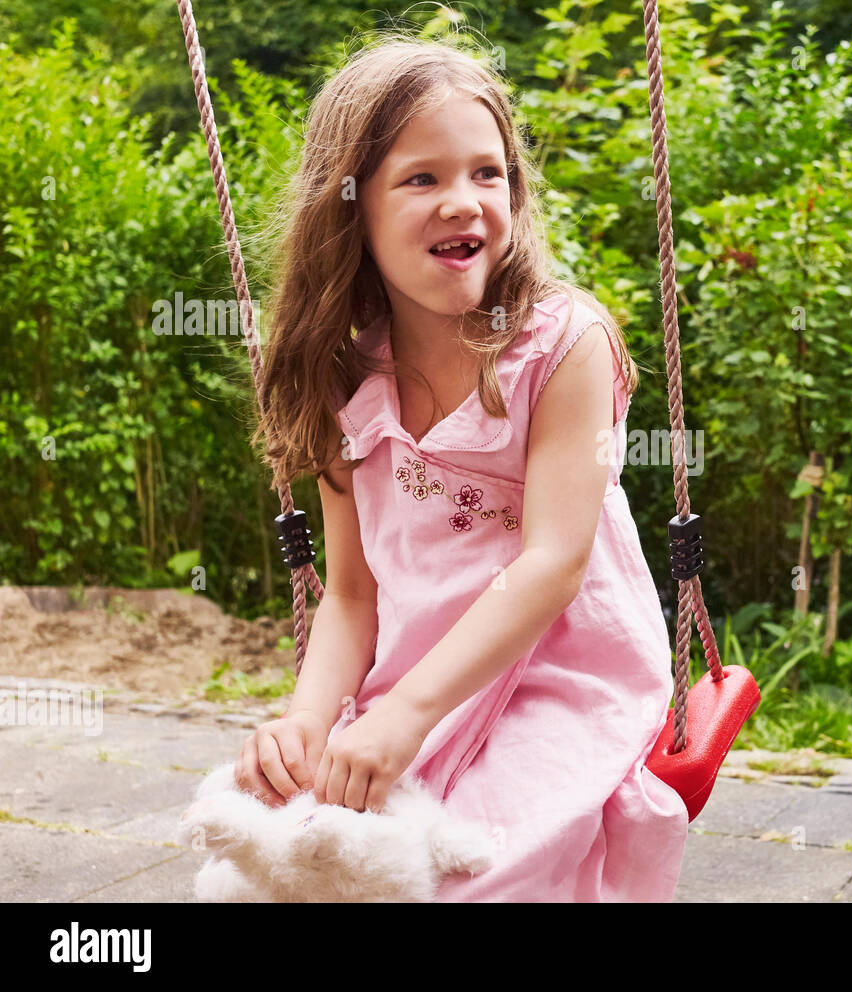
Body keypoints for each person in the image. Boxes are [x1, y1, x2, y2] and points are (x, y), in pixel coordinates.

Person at [231, 35, 688, 901]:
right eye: (423, 179)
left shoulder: (560, 347)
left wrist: (403, 717)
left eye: (488, 174)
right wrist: (306, 719)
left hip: (560, 682)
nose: (465, 202)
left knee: (466, 878)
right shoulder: (345, 374)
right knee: (296, 868)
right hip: (417, 676)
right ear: (350, 206)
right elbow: (352, 596)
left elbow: (553, 563)